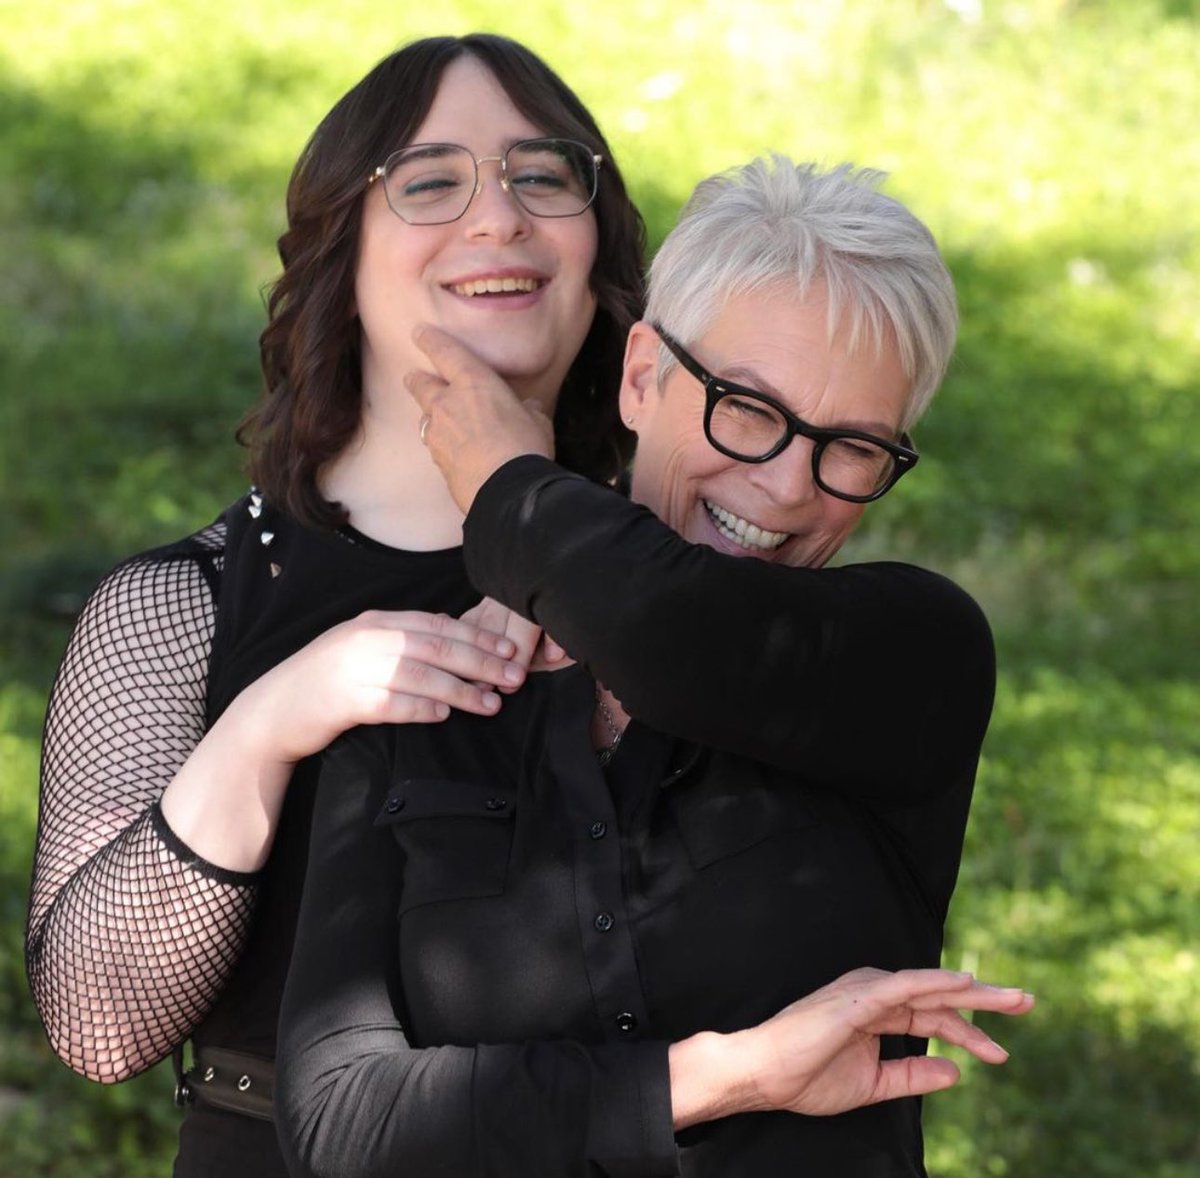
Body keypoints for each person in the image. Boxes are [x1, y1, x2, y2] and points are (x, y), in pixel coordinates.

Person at [274, 158, 1027, 1176]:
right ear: (640, 376)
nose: (786, 486)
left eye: (853, 447)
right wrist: (728, 1074)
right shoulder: (428, 675)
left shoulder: (913, 656)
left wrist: (510, 489)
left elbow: (676, 638)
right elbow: (343, 1121)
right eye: (747, 409)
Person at [24, 33, 646, 1178]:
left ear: (598, 246)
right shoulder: (182, 608)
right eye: (430, 180)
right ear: (340, 255)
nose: (499, 216)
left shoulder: (663, 586)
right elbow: (98, 1022)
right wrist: (272, 720)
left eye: (543, 174)